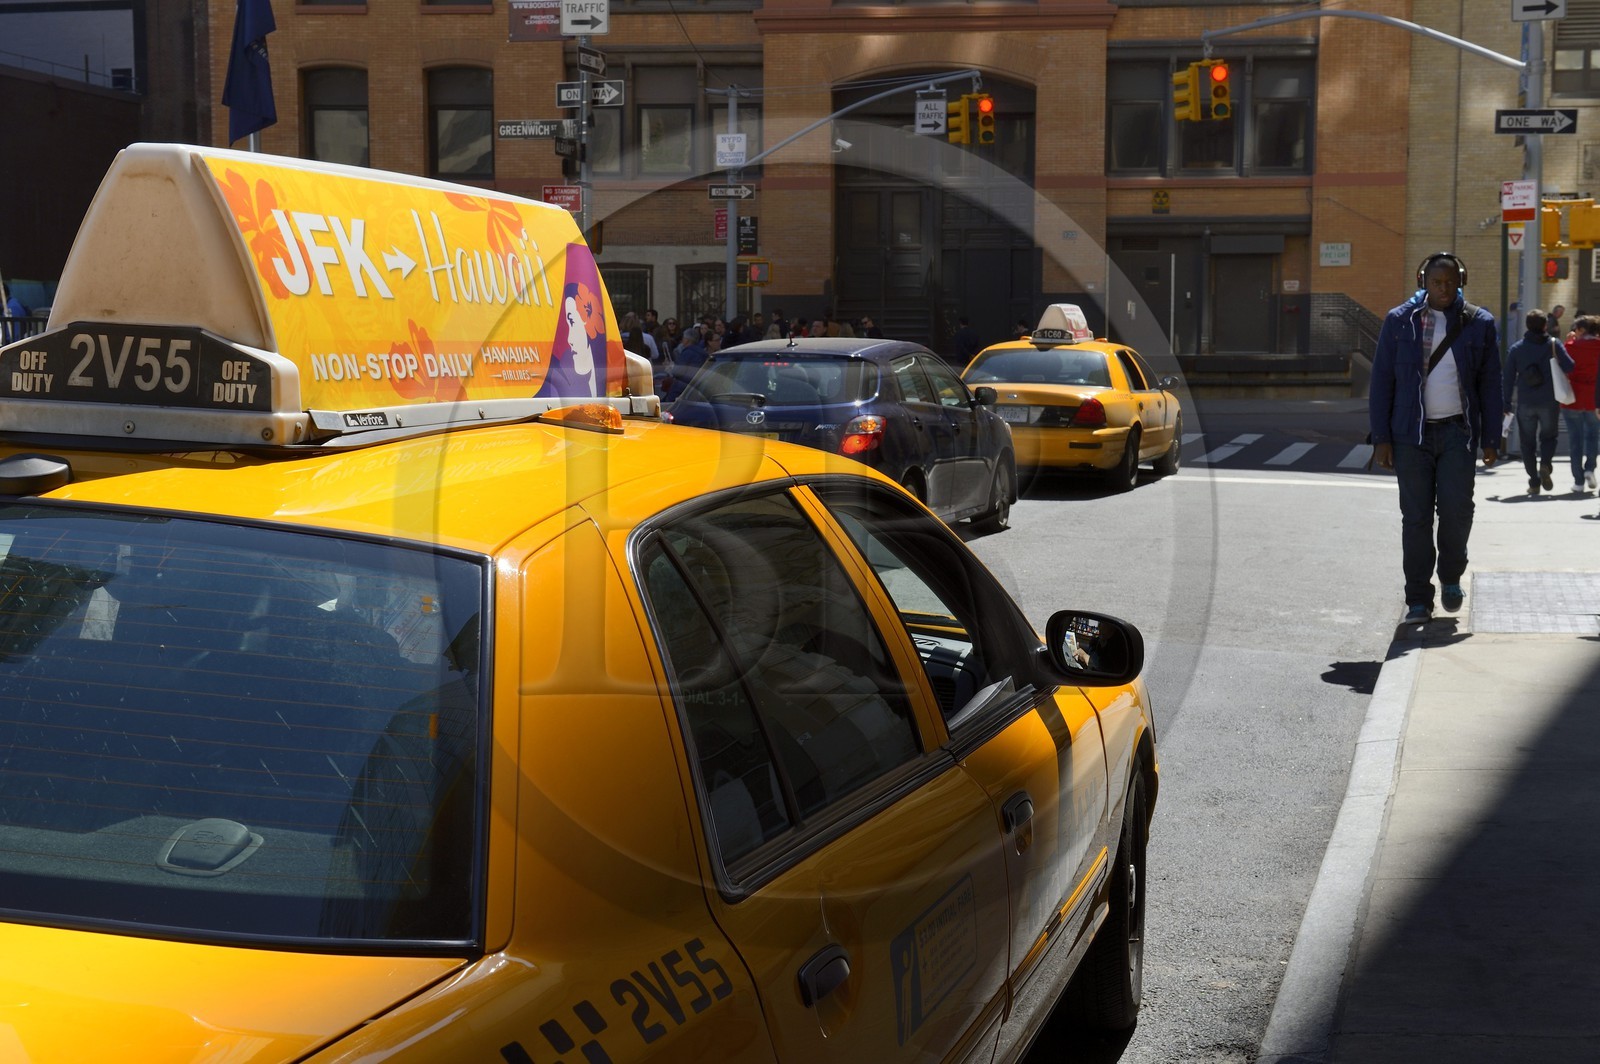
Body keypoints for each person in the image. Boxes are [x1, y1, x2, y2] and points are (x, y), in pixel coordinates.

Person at [1369, 252, 1501, 623]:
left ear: (1461, 280)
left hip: (1458, 433)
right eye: (1436, 282)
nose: (1443, 289)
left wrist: (1491, 438)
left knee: (1458, 512)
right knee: (1416, 519)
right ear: (1423, 281)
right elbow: (1382, 381)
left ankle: (1451, 576)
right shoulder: (1400, 322)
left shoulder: (1479, 323)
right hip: (1411, 436)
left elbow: (1491, 384)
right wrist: (1381, 436)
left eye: (1450, 282)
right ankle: (1417, 599)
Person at [1503, 307, 1574, 497]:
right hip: (1549, 400)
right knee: (1549, 437)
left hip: (1525, 402)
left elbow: (1508, 378)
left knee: (1527, 443)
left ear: (1527, 326)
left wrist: (1506, 404)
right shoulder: (1553, 344)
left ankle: (1534, 482)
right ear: (1545, 325)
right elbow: (1570, 366)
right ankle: (1545, 464)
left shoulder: (1516, 349)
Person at [1560, 315, 1600, 492]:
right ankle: (1590, 468)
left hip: (1573, 397)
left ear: (1581, 330)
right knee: (1593, 435)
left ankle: (1578, 481)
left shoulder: (1570, 346)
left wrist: (1566, 343)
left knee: (1575, 440)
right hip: (1594, 398)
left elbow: (1561, 365)